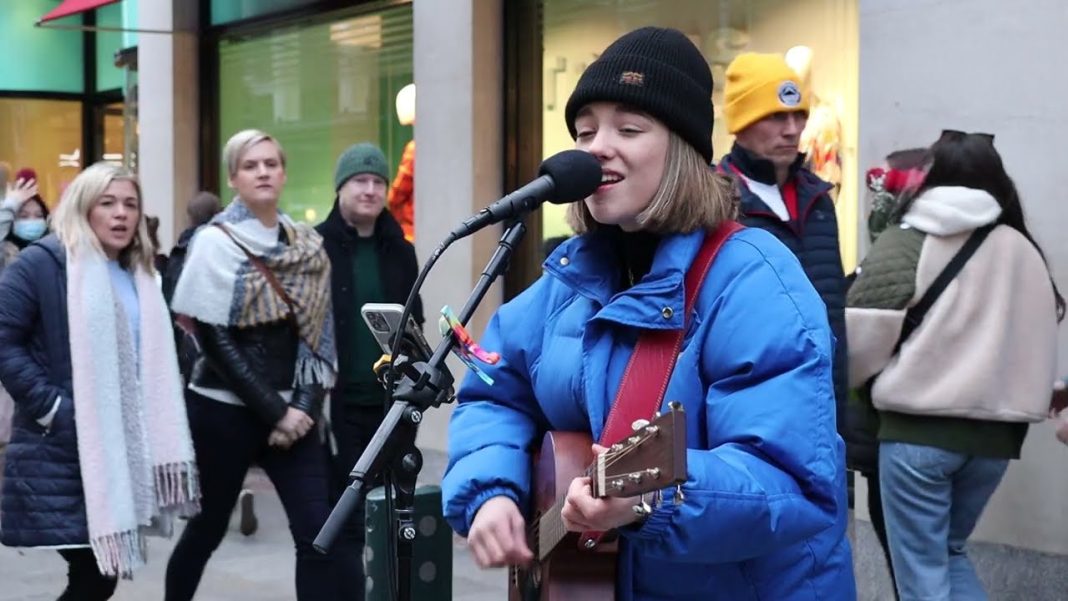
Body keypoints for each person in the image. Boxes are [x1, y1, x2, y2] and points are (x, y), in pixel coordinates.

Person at [441, 27, 855, 600]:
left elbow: (792, 483)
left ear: (683, 149)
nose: (596, 147)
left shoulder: (755, 280)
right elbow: (494, 393)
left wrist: (653, 499)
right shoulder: (568, 281)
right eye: (585, 132)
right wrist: (490, 492)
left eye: (628, 129)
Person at [846, 130, 1064, 601]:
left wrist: (858, 383)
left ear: (931, 177)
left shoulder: (910, 239)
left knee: (921, 572)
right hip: (996, 439)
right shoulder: (1022, 246)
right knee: (950, 553)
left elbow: (862, 332)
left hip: (915, 432)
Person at [0, 162, 199, 600]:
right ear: (82, 208)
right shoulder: (43, 263)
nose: (121, 214)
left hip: (120, 447)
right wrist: (54, 408)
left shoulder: (141, 273)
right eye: (107, 203)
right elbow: (4, 341)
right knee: (95, 577)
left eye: (130, 204)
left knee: (96, 579)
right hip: (64, 446)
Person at [165, 129, 338, 601]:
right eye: (250, 165)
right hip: (223, 411)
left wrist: (302, 405)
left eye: (271, 163)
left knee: (316, 533)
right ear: (233, 178)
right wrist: (275, 413)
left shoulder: (307, 244)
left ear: (283, 173)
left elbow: (318, 333)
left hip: (296, 416)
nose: (262, 172)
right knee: (207, 528)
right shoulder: (213, 243)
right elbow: (214, 341)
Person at [718, 52, 850, 449]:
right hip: (755, 401)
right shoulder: (716, 200)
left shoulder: (819, 198)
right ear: (740, 123)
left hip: (827, 394)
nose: (792, 130)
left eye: (798, 116)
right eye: (775, 117)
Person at [315, 141, 423, 600]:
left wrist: (412, 384)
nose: (371, 189)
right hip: (338, 404)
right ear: (341, 187)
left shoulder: (402, 251)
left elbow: (413, 324)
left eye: (378, 181)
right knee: (347, 512)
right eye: (360, 180)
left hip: (391, 404)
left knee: (392, 508)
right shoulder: (317, 247)